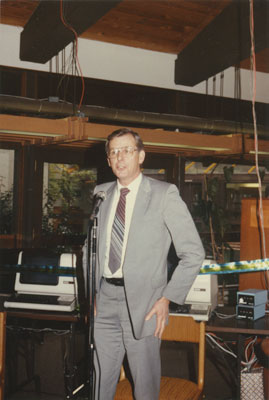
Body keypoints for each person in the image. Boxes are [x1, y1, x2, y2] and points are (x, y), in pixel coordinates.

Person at [90, 128, 205, 400]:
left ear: (141, 156)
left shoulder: (164, 194)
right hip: (104, 300)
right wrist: (93, 292)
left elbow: (193, 253)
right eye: (114, 152)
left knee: (144, 386)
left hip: (145, 305)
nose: (120, 158)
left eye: (127, 150)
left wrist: (167, 298)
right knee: (100, 381)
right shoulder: (101, 194)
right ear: (108, 160)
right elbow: (92, 249)